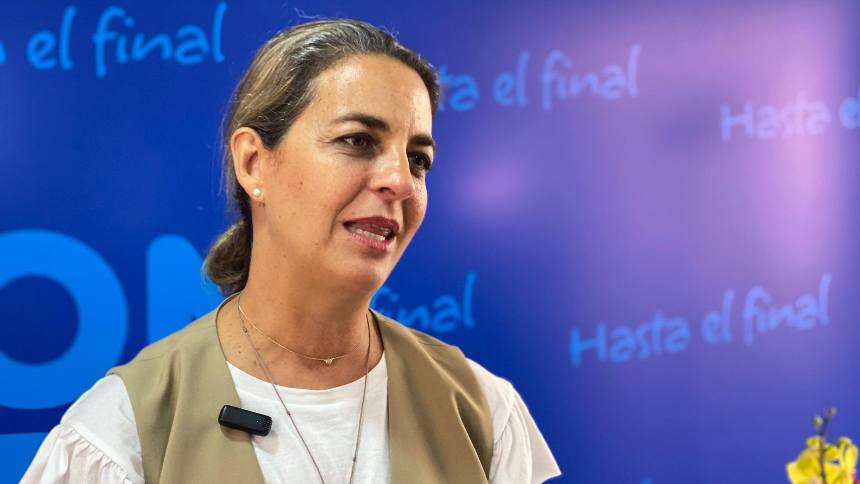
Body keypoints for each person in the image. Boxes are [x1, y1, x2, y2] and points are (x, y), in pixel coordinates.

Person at [22, 18, 562, 484]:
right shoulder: (121, 433)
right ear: (254, 163)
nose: (400, 180)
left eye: (418, 159)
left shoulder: (483, 411)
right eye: (357, 140)